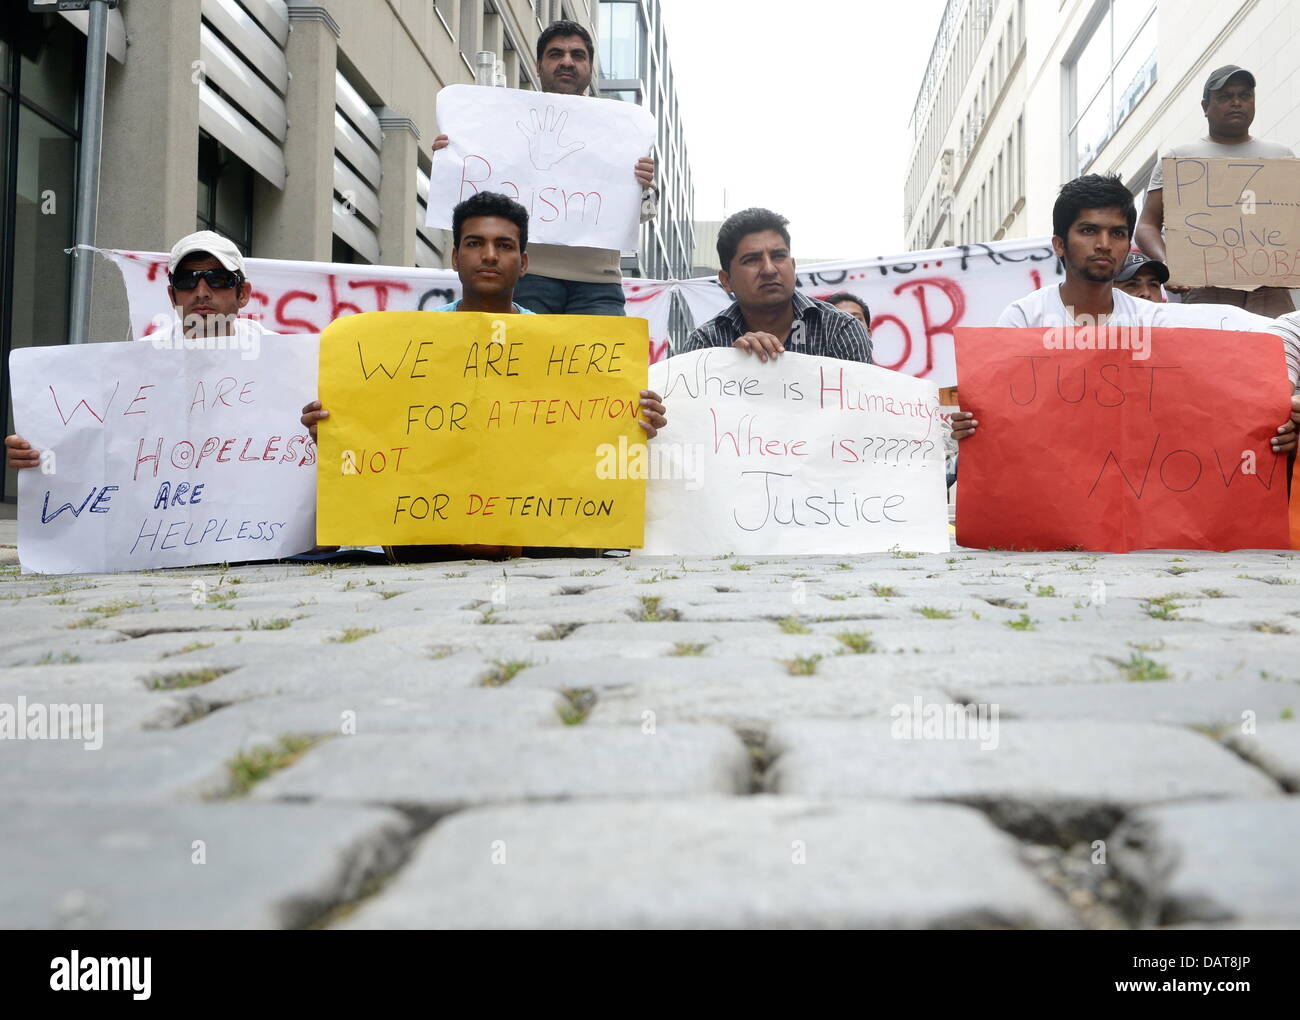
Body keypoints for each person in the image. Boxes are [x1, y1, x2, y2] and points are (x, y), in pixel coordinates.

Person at [300, 192, 667, 563]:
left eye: (503, 245)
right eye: (475, 243)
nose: (489, 255)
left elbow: (587, 434)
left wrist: (634, 421)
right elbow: (380, 435)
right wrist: (335, 430)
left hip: (539, 536)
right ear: (456, 257)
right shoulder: (407, 346)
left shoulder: (564, 351)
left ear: (523, 262)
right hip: (428, 536)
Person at [953, 175, 1299, 458]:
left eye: (1117, 233)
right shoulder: (1023, 320)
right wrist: (971, 426)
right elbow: (996, 414)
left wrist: (1276, 419)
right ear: (1059, 244)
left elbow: (1275, 335)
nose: (1104, 243)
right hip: (1051, 505)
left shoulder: (1156, 321)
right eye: (1089, 231)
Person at [430, 20, 656, 316]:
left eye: (577, 55)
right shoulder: (499, 118)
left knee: (601, 365)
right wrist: (452, 160)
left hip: (598, 283)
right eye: (556, 54)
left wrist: (645, 188)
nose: (567, 62)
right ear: (538, 65)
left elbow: (643, 215)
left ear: (589, 66)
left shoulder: (622, 130)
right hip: (526, 276)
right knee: (523, 362)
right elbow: (472, 195)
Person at [6, 229, 269, 469]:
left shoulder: (284, 361)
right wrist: (37, 446)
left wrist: (312, 427)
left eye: (218, 279)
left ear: (243, 293)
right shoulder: (134, 363)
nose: (201, 291)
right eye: (187, 280)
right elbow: (87, 434)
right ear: (171, 295)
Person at [1135, 65, 1296, 316]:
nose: (1236, 103)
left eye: (1245, 96)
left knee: (1276, 353)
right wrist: (1169, 265)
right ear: (1205, 107)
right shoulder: (1178, 159)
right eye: (1225, 97)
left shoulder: (1282, 157)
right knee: (1213, 353)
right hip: (1206, 289)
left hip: (1270, 289)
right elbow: (1146, 226)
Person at [677, 208, 873, 363]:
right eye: (752, 260)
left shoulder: (840, 329)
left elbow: (861, 409)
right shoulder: (705, 343)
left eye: (779, 256)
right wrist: (729, 367)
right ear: (726, 280)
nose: (769, 269)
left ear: (793, 266)